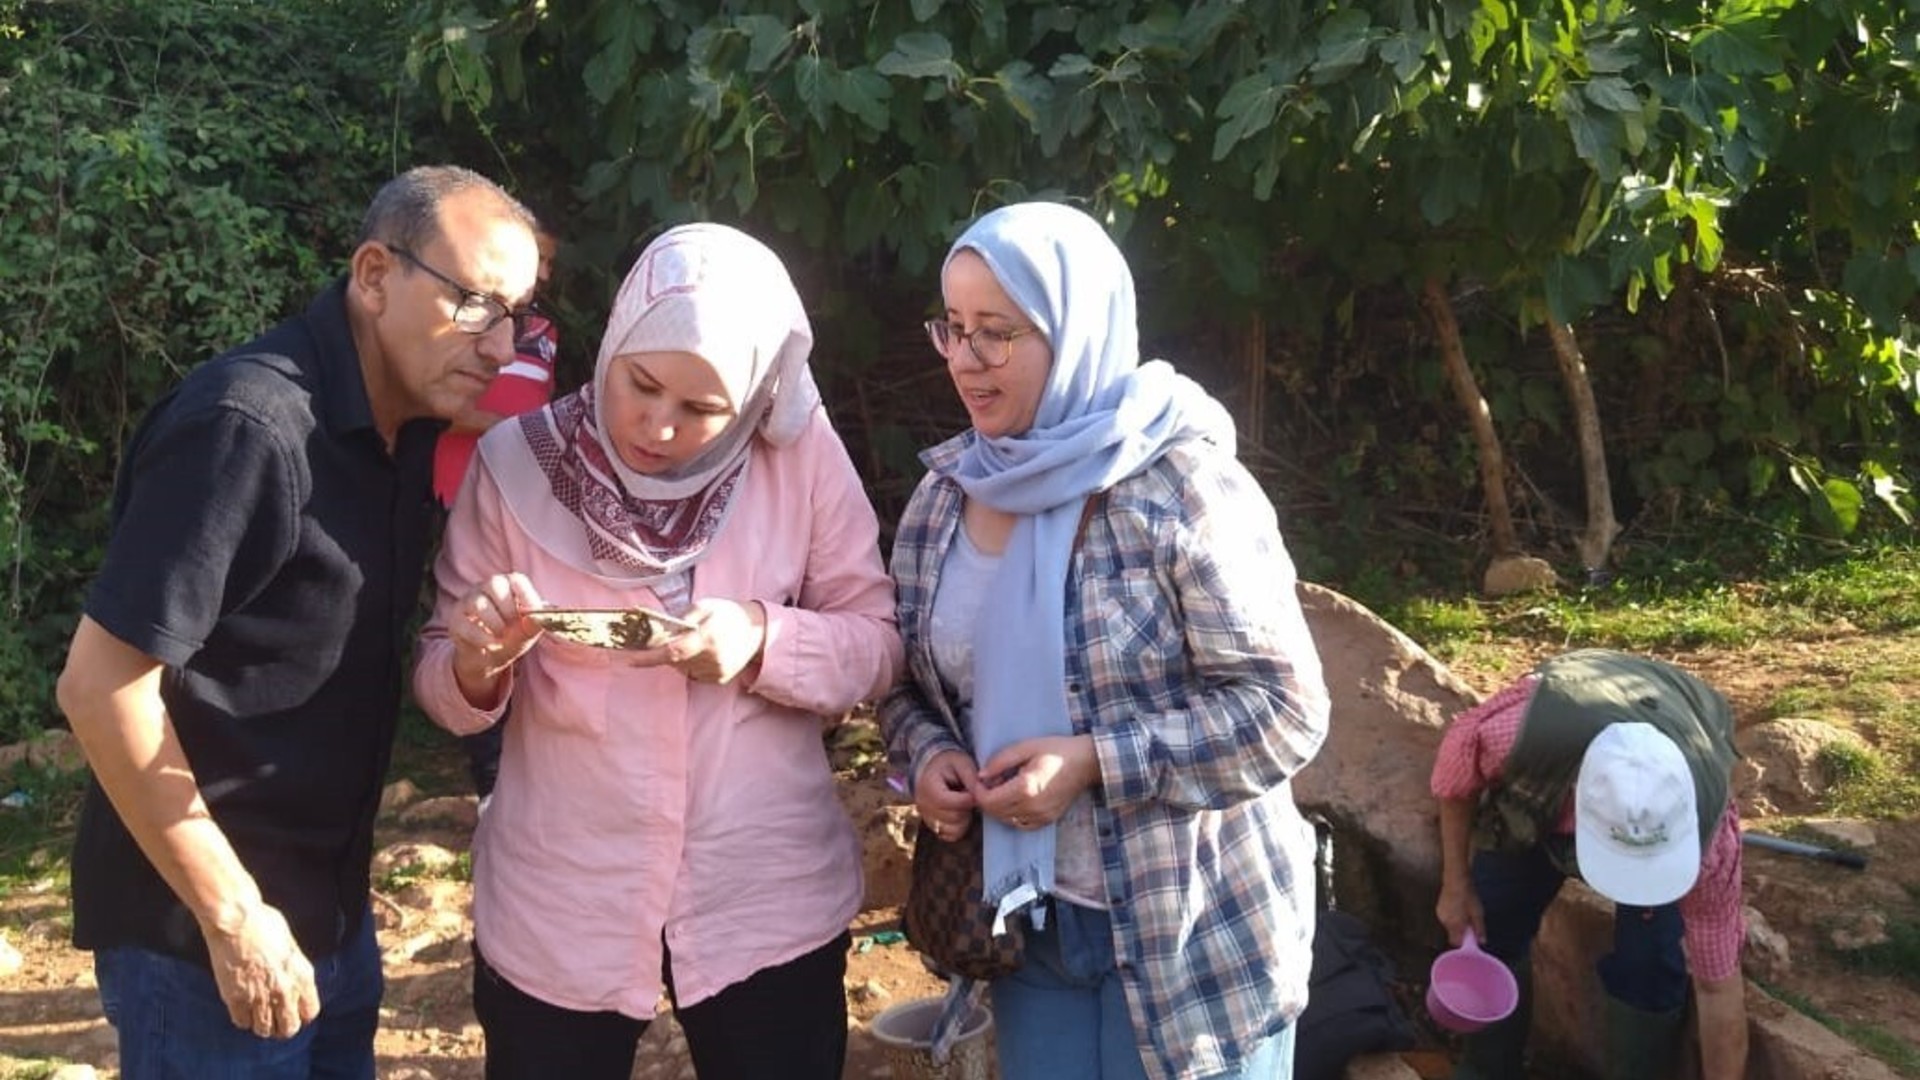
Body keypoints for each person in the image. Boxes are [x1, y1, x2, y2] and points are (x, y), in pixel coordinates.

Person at [56, 164, 541, 1078]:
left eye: (517, 314)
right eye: (476, 302)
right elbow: (99, 686)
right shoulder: (248, 428)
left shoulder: (406, 431)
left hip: (330, 922)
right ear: (373, 274)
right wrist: (234, 915)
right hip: (202, 938)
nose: (502, 343)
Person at [410, 222, 901, 1080]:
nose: (658, 427)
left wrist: (760, 639)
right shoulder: (515, 464)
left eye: (701, 409)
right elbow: (440, 673)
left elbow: (876, 643)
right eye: (641, 384)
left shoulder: (798, 459)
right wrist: (475, 661)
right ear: (617, 342)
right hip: (563, 899)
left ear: (749, 400)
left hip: (762, 892)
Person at [879, 201, 1331, 1080]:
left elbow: (1285, 710)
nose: (966, 362)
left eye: (998, 334)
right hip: (1025, 925)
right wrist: (930, 752)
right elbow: (907, 683)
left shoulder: (1179, 487)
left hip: (1188, 935)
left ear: (1074, 330)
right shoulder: (946, 496)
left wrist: (1094, 762)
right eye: (954, 329)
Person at [1430, 648, 1749, 1080]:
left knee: (1650, 962)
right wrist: (1456, 883)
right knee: (1492, 922)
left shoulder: (1710, 843)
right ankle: (1487, 1069)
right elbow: (1455, 772)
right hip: (1555, 764)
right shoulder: (1518, 738)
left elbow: (1717, 988)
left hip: (1675, 710)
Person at [433, 218, 563, 801]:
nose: (543, 271)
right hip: (452, 492)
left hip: (523, 502)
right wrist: (505, 431)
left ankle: (526, 771)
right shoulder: (466, 326)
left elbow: (544, 406)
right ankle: (488, 784)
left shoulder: (545, 334)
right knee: (471, 629)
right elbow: (442, 405)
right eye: (535, 257)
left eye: (547, 263)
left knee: (523, 627)